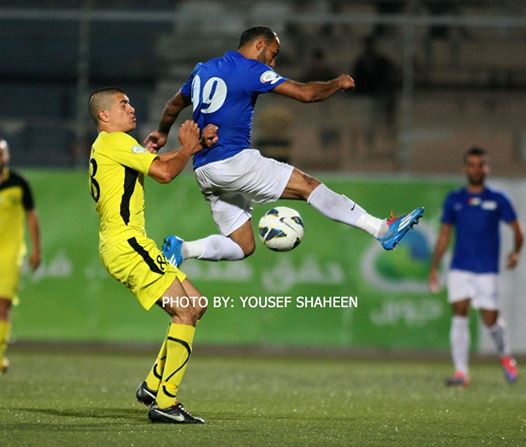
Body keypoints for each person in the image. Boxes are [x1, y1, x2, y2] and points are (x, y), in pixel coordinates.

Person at [145, 26, 423, 267]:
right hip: (234, 161)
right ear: (260, 45)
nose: (273, 63)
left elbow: (173, 106)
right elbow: (305, 93)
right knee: (308, 186)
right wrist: (336, 83)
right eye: (274, 54)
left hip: (205, 169)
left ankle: (183, 249)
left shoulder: (202, 70)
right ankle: (381, 229)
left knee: (243, 245)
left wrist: (161, 132)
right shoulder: (251, 69)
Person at [88, 87, 218, 423]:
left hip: (128, 242)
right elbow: (164, 173)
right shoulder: (114, 142)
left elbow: (150, 165)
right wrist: (187, 149)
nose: (131, 108)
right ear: (104, 115)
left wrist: (194, 146)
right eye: (123, 104)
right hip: (126, 243)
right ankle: (166, 403)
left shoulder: (110, 146)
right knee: (185, 311)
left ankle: (152, 386)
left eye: (130, 102)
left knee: (195, 304)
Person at [429, 147, 523, 387]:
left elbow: (517, 231)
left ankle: (506, 356)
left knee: (490, 320)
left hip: (486, 270)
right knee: (459, 315)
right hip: (460, 267)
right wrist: (434, 267)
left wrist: (515, 253)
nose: (476, 169)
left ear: (486, 168)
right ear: (465, 168)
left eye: (480, 164)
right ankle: (461, 373)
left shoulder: (498, 199)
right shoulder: (455, 199)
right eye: (471, 164)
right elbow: (444, 235)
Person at [0, 138, 41, 375]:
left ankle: (0, 354)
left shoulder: (19, 183)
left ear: (7, 157)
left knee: (2, 305)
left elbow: (32, 217)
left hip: (9, 254)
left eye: (2, 153)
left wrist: (37, 250)